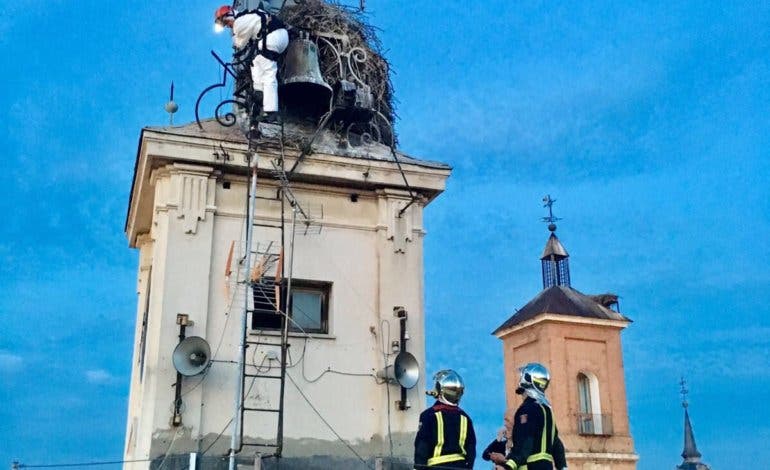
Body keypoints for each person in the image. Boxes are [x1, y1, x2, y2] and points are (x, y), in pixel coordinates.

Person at [214, 4, 289, 123]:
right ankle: (259, 93)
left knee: (268, 73)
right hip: (277, 37)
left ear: (230, 15)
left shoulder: (239, 22)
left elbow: (239, 43)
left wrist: (235, 41)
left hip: (274, 37)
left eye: (227, 23)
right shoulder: (248, 15)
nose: (229, 26)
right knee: (256, 62)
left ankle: (271, 112)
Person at [489, 363, 567, 470]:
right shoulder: (547, 410)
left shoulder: (527, 409)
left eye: (522, 376)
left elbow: (526, 441)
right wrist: (562, 466)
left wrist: (508, 466)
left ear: (527, 379)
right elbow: (557, 444)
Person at [414, 369, 477, 469]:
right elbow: (471, 450)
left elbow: (422, 449)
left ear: (439, 389)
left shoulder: (428, 415)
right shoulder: (465, 418)